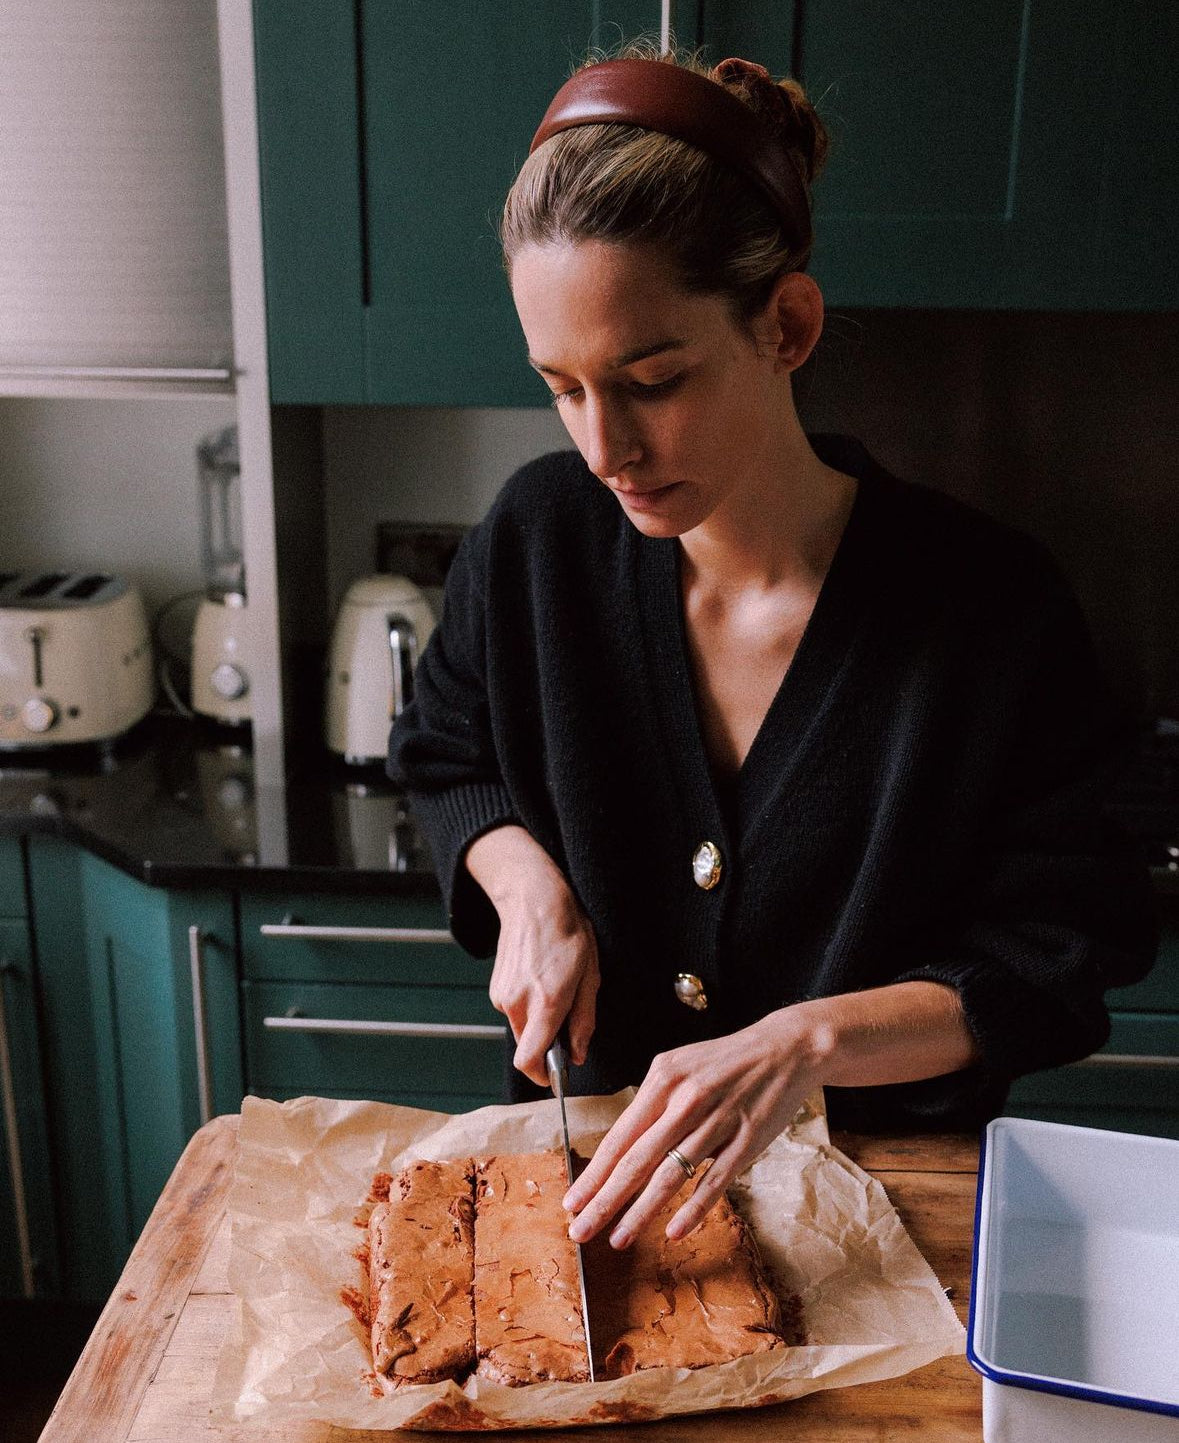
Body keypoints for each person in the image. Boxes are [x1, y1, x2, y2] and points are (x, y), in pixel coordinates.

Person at [388, 45, 1158, 1252]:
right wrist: (523, 885)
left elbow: (1054, 956)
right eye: (562, 386)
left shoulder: (992, 611)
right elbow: (445, 754)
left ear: (786, 324)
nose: (605, 447)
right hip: (593, 1201)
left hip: (894, 1221)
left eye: (653, 378)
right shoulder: (536, 544)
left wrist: (811, 1041)